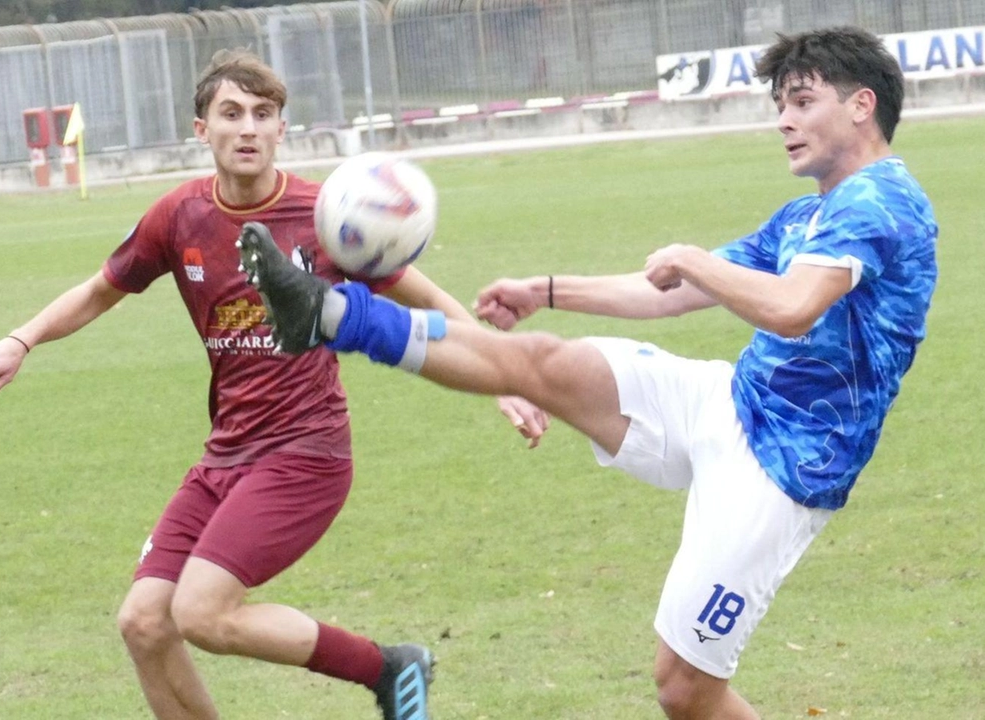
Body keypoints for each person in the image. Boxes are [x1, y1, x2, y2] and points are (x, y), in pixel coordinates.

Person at [238, 27, 936, 719]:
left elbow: (789, 309)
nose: (784, 119)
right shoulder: (809, 213)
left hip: (786, 470)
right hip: (729, 399)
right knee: (546, 360)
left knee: (684, 691)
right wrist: (543, 290)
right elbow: (671, 289)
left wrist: (694, 258)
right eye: (780, 103)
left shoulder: (881, 201)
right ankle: (330, 317)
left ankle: (335, 316)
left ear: (860, 105)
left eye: (802, 101)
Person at [0, 49, 544, 720]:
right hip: (225, 454)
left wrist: (504, 377)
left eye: (263, 115)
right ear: (201, 129)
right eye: (230, 114)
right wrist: (20, 338)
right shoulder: (177, 217)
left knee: (201, 612)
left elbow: (430, 304)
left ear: (280, 129)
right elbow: (98, 292)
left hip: (306, 454)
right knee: (144, 624)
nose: (248, 129)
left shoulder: (328, 218)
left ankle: (388, 667)